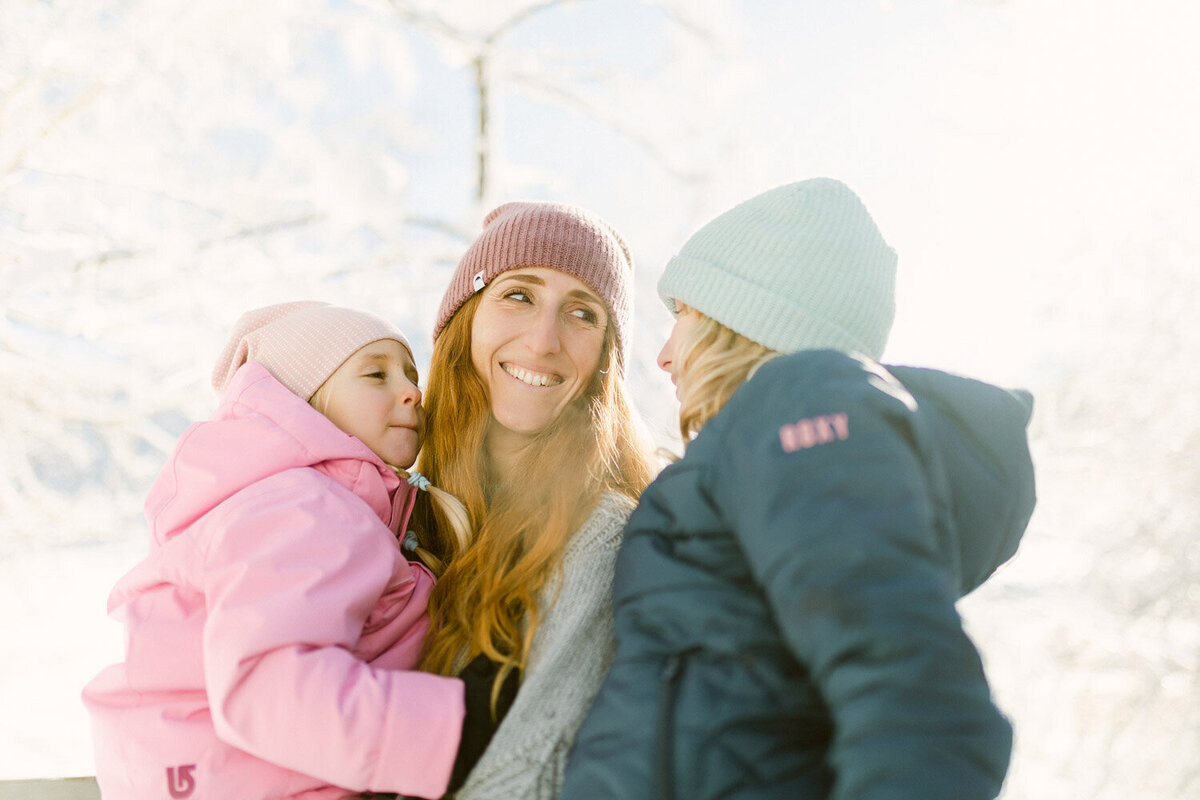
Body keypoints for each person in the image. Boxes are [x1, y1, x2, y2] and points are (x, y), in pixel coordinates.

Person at [560, 178, 1038, 800]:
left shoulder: (801, 403)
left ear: (743, 319)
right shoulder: (765, 443)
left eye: (682, 315)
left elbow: (913, 693)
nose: (664, 354)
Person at [82, 301, 472, 800]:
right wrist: (456, 731)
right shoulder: (306, 506)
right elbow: (267, 685)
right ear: (304, 402)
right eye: (376, 375)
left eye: (411, 373)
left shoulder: (305, 503)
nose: (412, 392)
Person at [408, 201, 658, 799]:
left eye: (582, 313)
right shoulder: (393, 510)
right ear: (466, 316)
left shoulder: (605, 537)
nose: (544, 341)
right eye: (519, 295)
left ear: (606, 362)